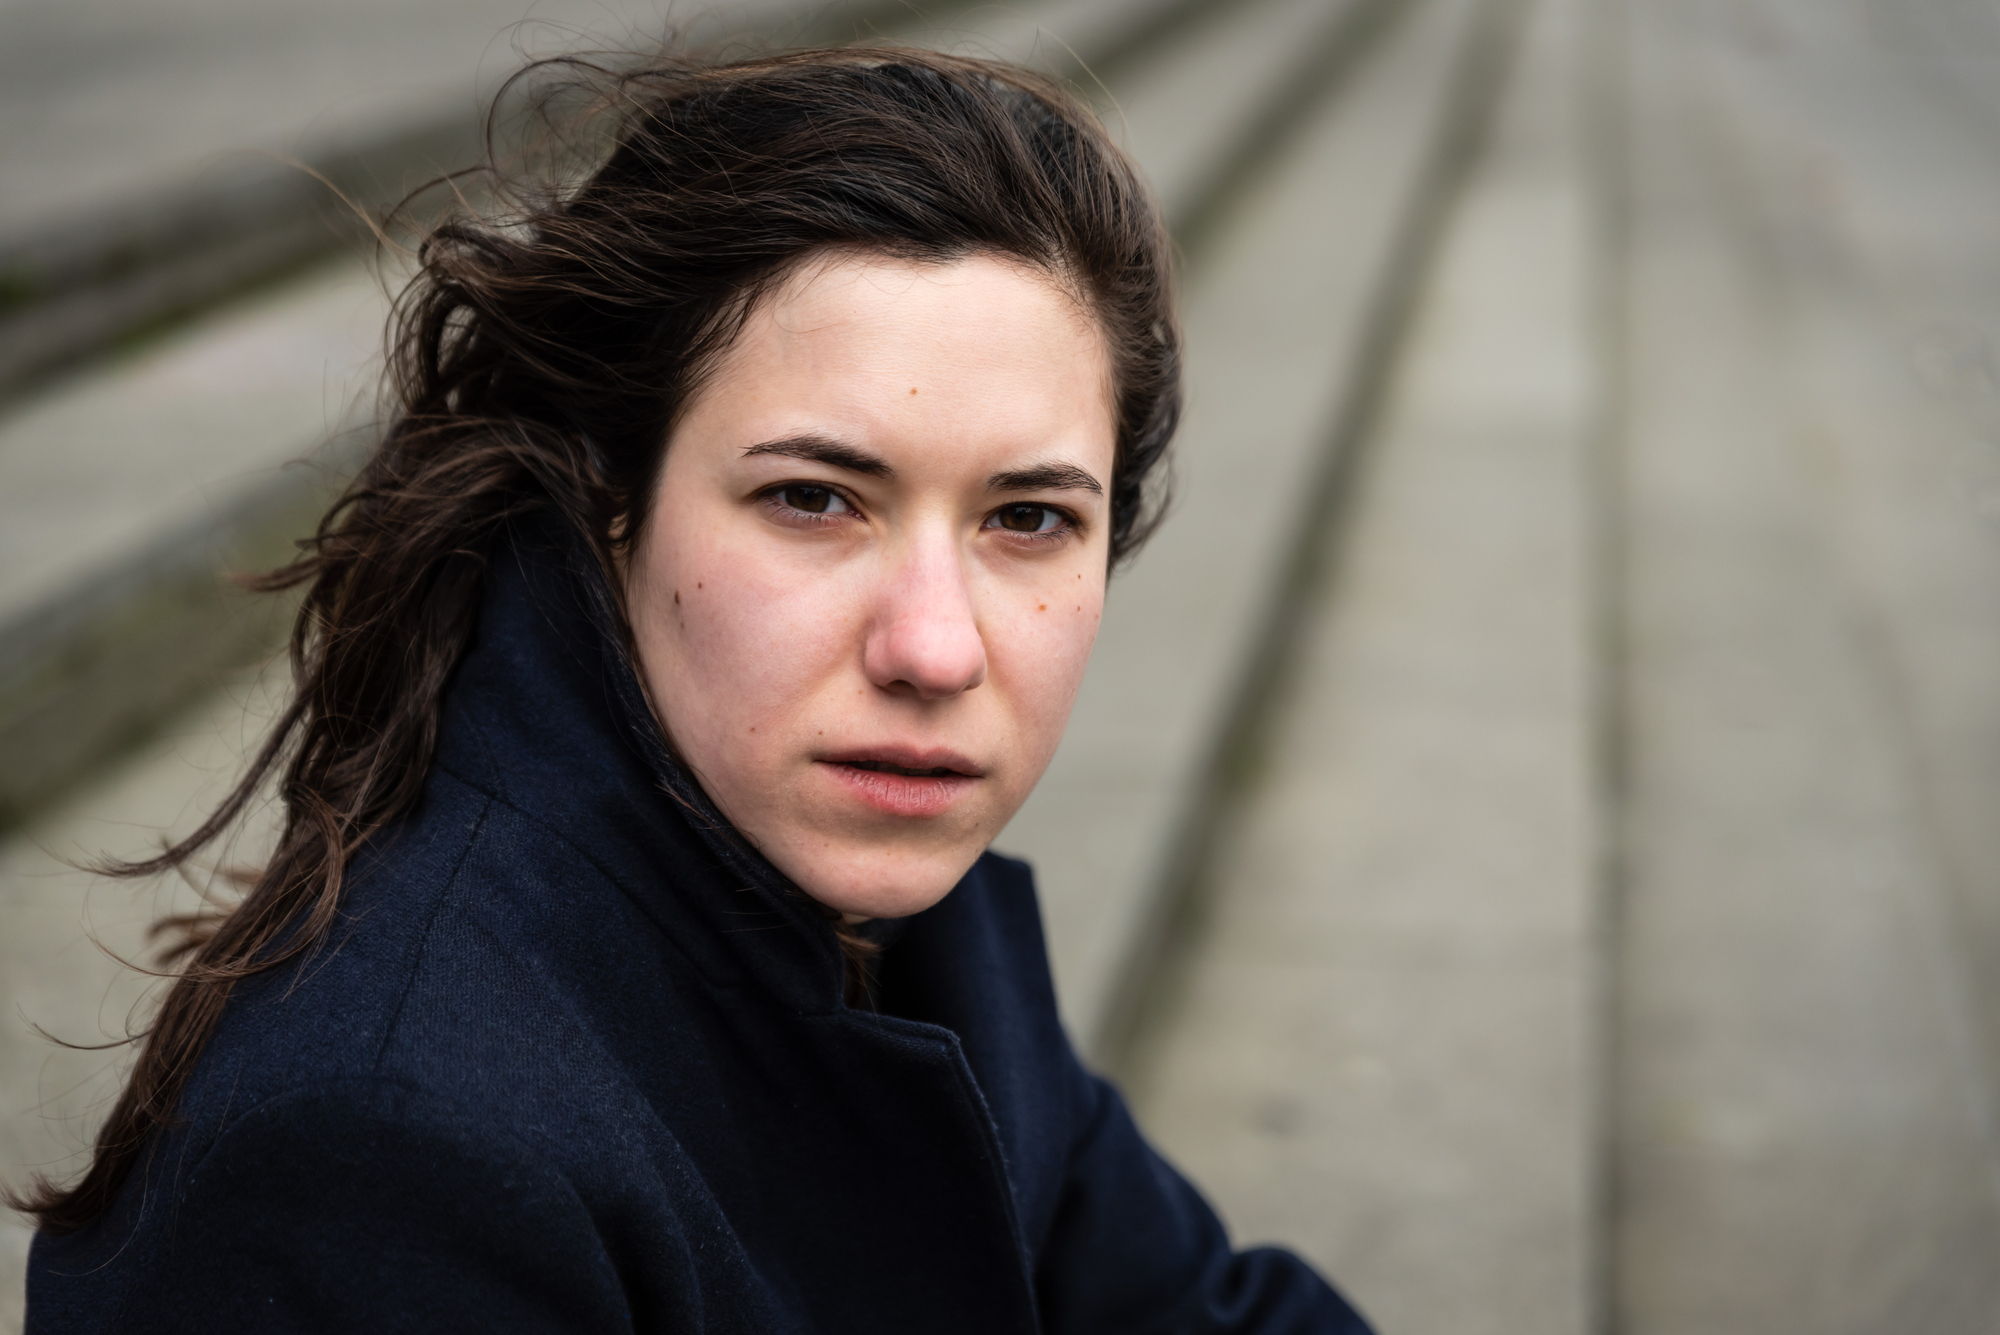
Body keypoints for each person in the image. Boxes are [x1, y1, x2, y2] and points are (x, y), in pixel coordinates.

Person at [16, 46, 1372, 1333]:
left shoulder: (908, 917)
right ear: (610, 505)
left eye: (1027, 519)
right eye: (813, 498)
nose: (937, 649)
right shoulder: (392, 1152)